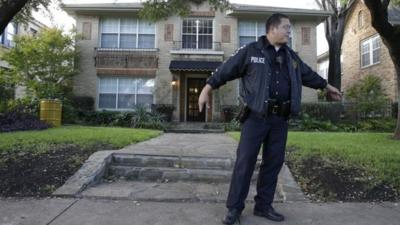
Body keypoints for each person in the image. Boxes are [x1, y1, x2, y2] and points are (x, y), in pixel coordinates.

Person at [198, 13, 342, 224]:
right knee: (245, 163)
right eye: (286, 27)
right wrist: (206, 89)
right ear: (272, 28)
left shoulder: (291, 57)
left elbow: (308, 74)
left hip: (280, 121)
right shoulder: (250, 51)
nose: (289, 31)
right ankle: (234, 209)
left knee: (273, 164)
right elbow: (225, 70)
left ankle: (263, 206)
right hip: (255, 119)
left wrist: (328, 87)